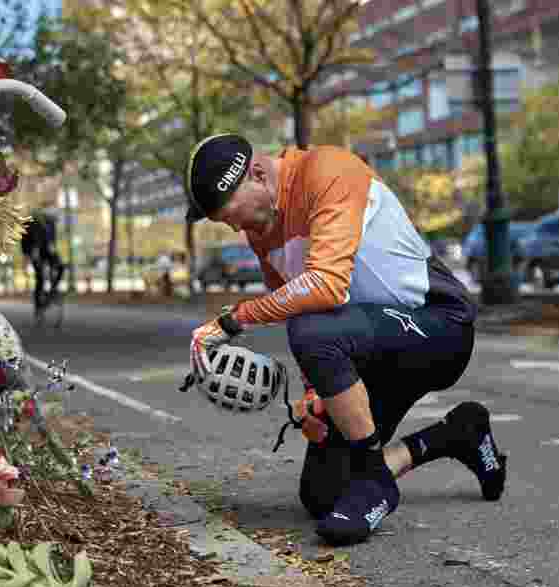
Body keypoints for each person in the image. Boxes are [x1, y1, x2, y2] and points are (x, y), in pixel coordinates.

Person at [184, 134, 507, 546]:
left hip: (439, 326)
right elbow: (295, 307)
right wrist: (315, 393)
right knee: (322, 494)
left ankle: (376, 482)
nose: (231, 226)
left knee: (314, 333)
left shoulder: (328, 170)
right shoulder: (262, 229)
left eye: (227, 213)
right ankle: (459, 433)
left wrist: (233, 321)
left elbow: (325, 287)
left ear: (259, 174)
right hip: (371, 347)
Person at [21, 207, 64, 313]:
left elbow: (52, 240)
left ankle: (53, 290)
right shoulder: (32, 222)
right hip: (34, 252)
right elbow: (25, 239)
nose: (53, 221)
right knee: (40, 277)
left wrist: (53, 248)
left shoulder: (51, 224)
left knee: (60, 266)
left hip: (47, 251)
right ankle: (38, 305)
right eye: (52, 218)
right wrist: (27, 254)